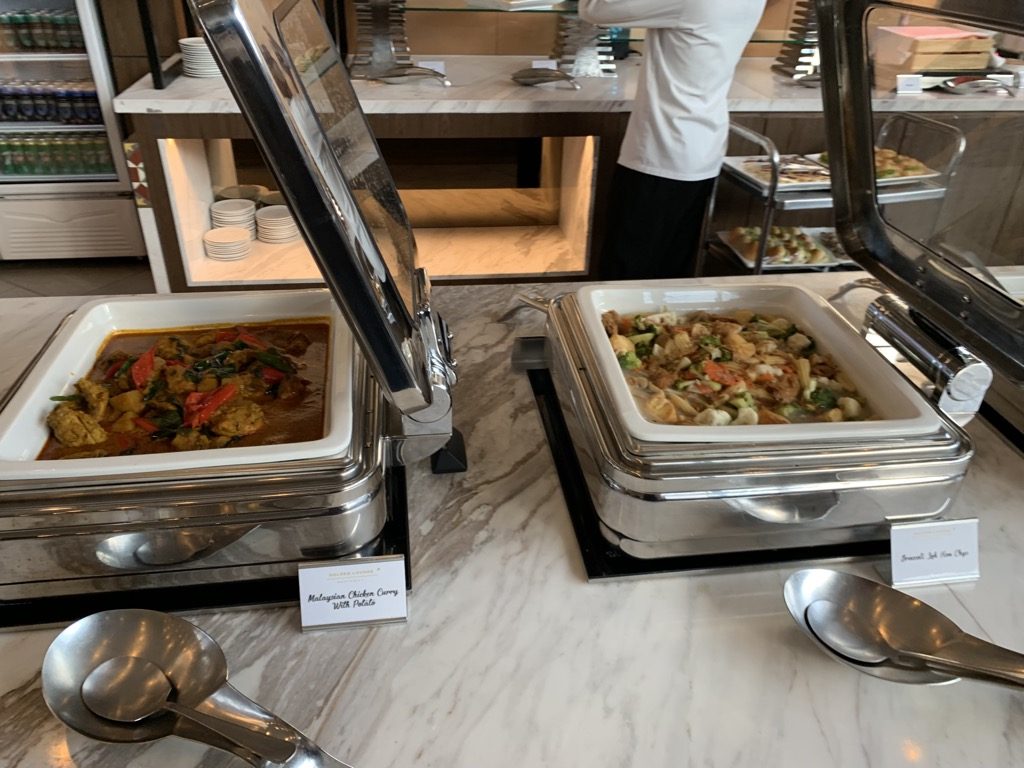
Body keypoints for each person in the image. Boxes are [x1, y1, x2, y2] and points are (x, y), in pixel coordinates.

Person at [578, 0, 766, 280]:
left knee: (625, 273)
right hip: (703, 148)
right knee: (669, 272)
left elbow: (595, 9)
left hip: (661, 152)